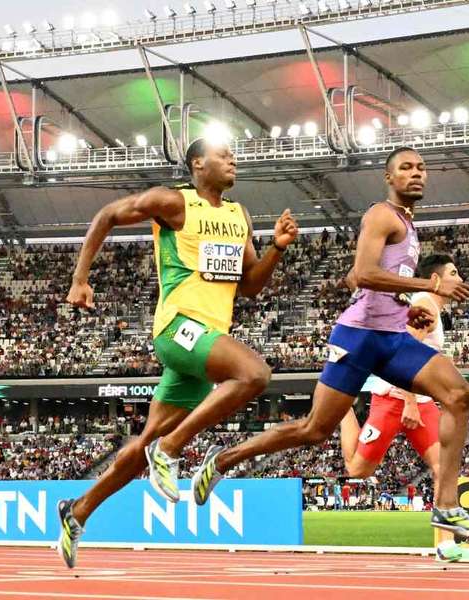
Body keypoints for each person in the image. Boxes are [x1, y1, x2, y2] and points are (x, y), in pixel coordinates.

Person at [186, 147, 469, 545]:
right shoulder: (381, 214)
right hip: (357, 339)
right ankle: (223, 460)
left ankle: (447, 506)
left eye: (421, 168)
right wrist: (430, 286)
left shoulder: (407, 225)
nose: (416, 174)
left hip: (392, 337)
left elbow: (352, 279)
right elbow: (364, 274)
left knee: (459, 394)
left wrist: (404, 308)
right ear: (389, 178)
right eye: (405, 168)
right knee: (314, 430)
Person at [55, 137, 298, 568]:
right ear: (197, 163)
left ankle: (78, 511)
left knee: (142, 443)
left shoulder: (238, 215)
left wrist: (276, 248)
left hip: (206, 342)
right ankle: (170, 450)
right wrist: (79, 279)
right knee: (255, 374)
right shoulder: (173, 203)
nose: (233, 161)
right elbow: (107, 215)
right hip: (178, 328)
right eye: (224, 155)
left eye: (233, 156)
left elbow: (251, 285)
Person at [339, 254, 469, 563]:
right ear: (436, 279)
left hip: (421, 401)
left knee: (442, 468)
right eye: (453, 273)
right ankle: (343, 409)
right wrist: (408, 402)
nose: (459, 279)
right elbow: (403, 354)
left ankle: (446, 546)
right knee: (357, 470)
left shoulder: (435, 310)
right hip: (393, 398)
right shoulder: (425, 305)